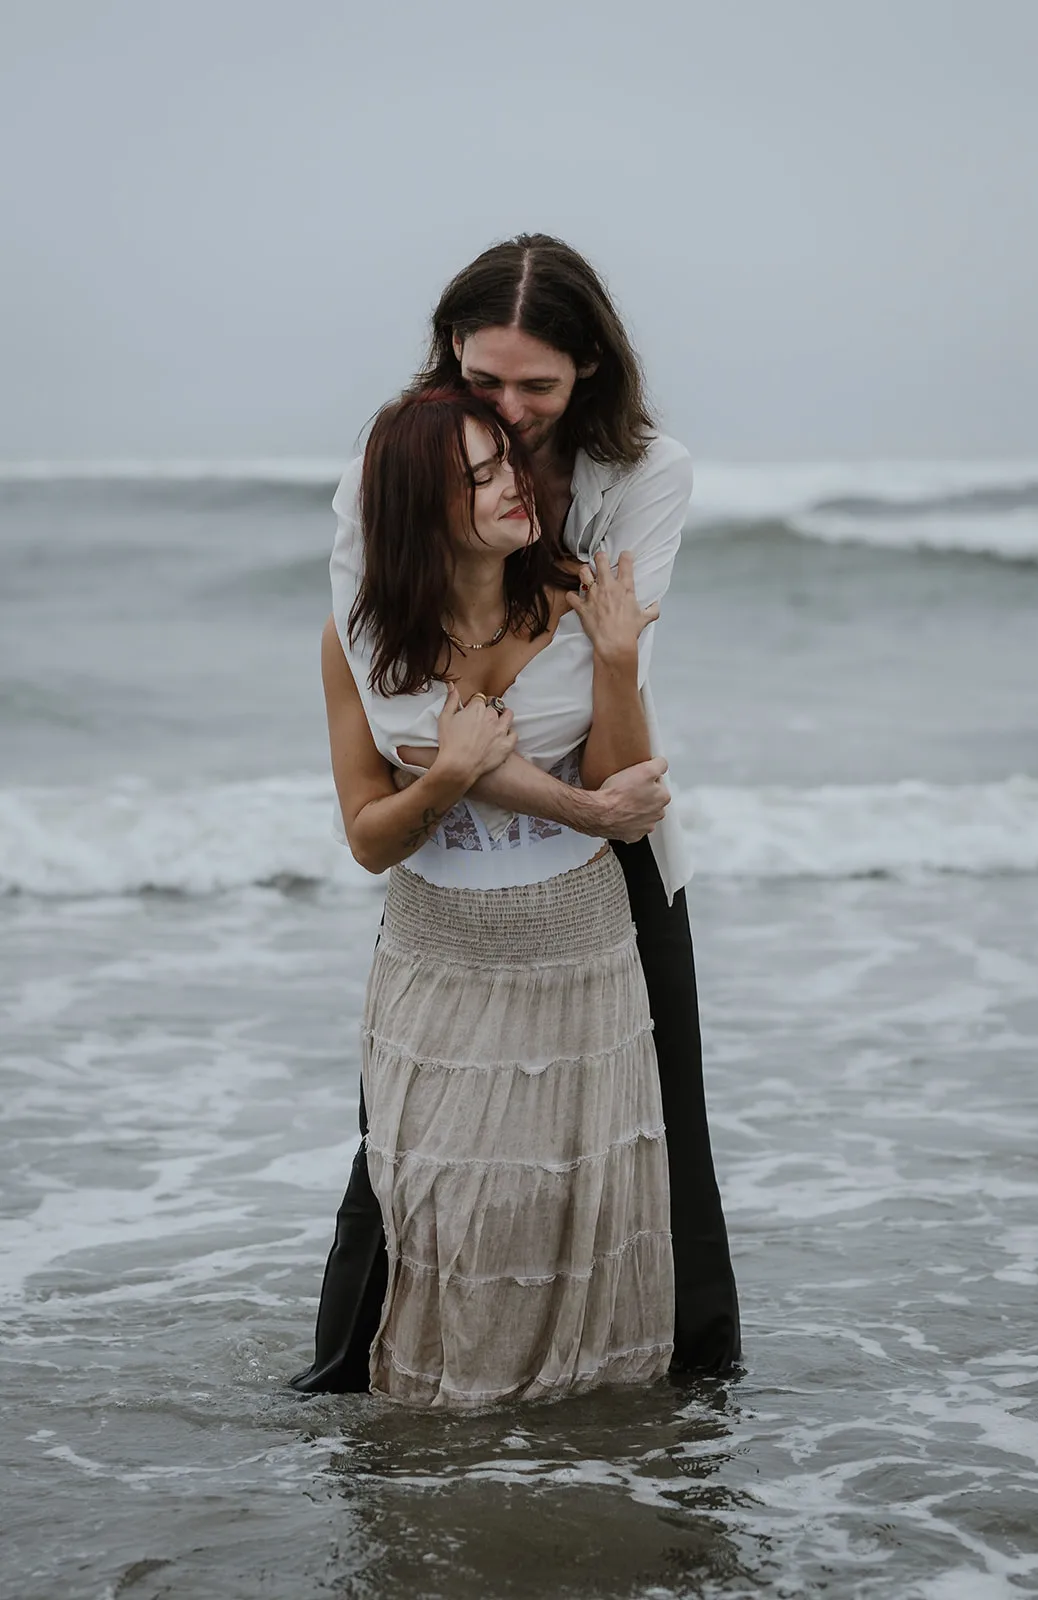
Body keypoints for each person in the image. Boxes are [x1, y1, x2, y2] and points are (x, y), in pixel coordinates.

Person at [292, 234, 740, 1394]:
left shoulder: (646, 476)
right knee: (412, 1135)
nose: (509, 410)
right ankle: (354, 1368)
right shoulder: (383, 472)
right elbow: (400, 721)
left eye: (535, 386)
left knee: (651, 1131)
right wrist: (572, 784)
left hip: (607, 857)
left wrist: (561, 741)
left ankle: (673, 1388)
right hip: (485, 848)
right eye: (482, 378)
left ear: (589, 369)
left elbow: (567, 692)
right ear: (449, 350)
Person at [320, 385, 674, 1406]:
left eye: (507, 461)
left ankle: (575, 1460)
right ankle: (447, 1438)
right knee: (451, 1213)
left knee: (581, 1211)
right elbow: (366, 839)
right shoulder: (365, 638)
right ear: (416, 509)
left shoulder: (572, 592)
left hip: (581, 942)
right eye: (475, 477)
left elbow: (623, 788)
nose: (512, 485)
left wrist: (615, 659)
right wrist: (440, 778)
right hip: (440, 952)